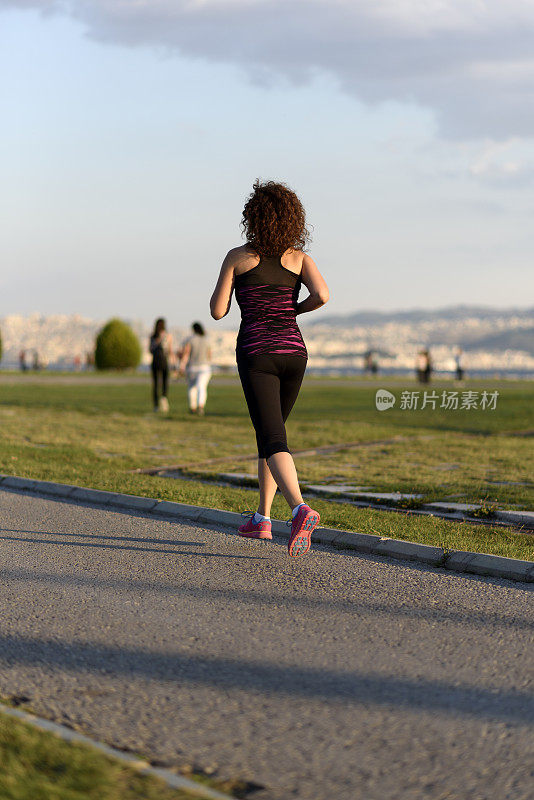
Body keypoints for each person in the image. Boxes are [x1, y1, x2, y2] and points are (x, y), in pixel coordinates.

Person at [210, 179, 330, 558]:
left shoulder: (237, 256)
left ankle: (298, 509)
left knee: (274, 439)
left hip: (257, 354)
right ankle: (262, 518)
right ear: (294, 220)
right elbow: (323, 295)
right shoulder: (300, 259)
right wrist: (294, 309)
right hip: (295, 354)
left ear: (253, 217)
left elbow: (217, 310)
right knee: (270, 434)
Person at [179, 322, 212, 415]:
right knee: (201, 387)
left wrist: (181, 366)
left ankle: (192, 407)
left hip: (192, 367)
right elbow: (209, 355)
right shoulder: (207, 340)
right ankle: (200, 406)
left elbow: (186, 354)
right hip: (205, 367)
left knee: (191, 388)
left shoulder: (190, 340)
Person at [149, 318, 173, 412]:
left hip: (156, 361)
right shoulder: (164, 336)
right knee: (163, 383)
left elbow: (150, 350)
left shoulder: (153, 336)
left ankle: (158, 403)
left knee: (156, 384)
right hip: (162, 361)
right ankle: (162, 400)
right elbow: (169, 350)